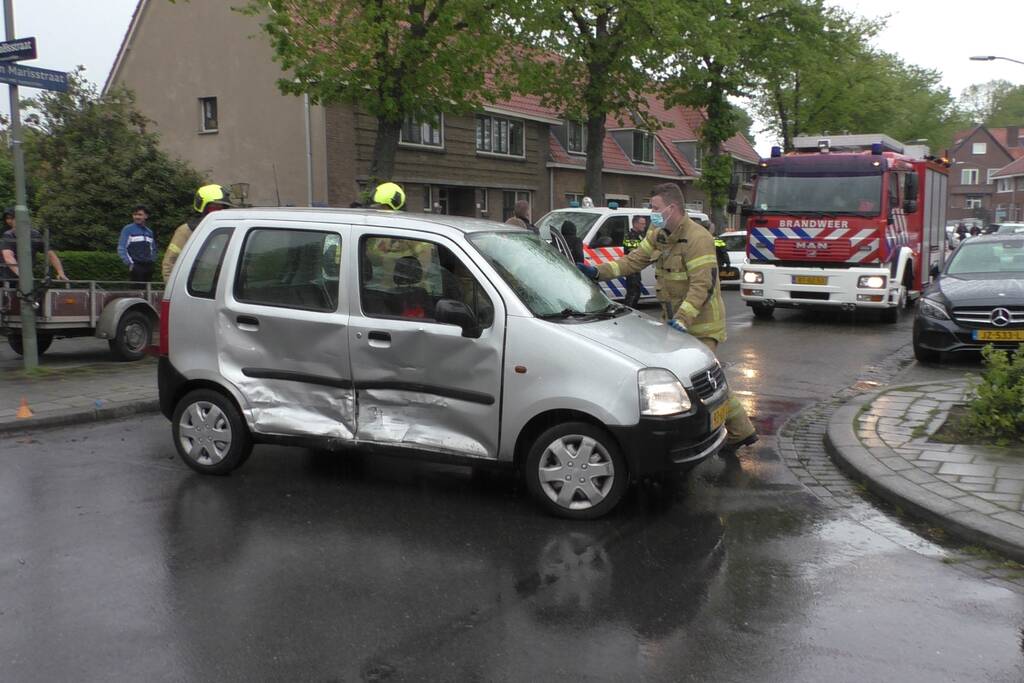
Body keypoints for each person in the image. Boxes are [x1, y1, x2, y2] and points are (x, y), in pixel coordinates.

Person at [577, 182, 757, 455]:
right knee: (705, 382)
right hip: (678, 325)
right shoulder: (659, 233)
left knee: (700, 384)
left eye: (656, 208)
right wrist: (597, 272)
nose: (652, 214)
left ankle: (719, 435)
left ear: (672, 208)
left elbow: (701, 285)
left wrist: (683, 319)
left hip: (702, 324)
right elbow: (634, 260)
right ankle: (741, 431)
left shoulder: (699, 239)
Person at [162, 184, 233, 280]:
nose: (218, 212)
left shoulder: (227, 231)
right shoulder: (187, 231)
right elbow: (170, 262)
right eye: (214, 207)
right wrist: (172, 290)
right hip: (193, 286)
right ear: (202, 207)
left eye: (221, 208)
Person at [1, 208, 68, 283]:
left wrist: (60, 272)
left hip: (25, 277)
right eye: (7, 218)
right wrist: (23, 275)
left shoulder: (35, 235)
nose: (9, 221)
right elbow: (8, 257)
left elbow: (50, 254)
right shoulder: (9, 235)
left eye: (12, 218)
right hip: (7, 278)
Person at [118, 205, 157, 283]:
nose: (137, 217)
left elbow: (153, 248)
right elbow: (122, 247)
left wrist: (152, 260)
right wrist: (130, 263)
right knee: (137, 292)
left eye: (140, 214)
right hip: (136, 265)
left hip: (148, 265)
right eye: (135, 215)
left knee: (147, 291)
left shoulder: (149, 232)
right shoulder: (128, 229)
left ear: (146, 216)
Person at [622, 215, 648, 308]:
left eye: (644, 224)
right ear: (635, 224)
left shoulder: (640, 235)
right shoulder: (630, 236)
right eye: (642, 224)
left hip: (636, 268)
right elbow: (634, 252)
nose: (644, 226)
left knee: (636, 291)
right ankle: (629, 310)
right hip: (631, 267)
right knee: (633, 293)